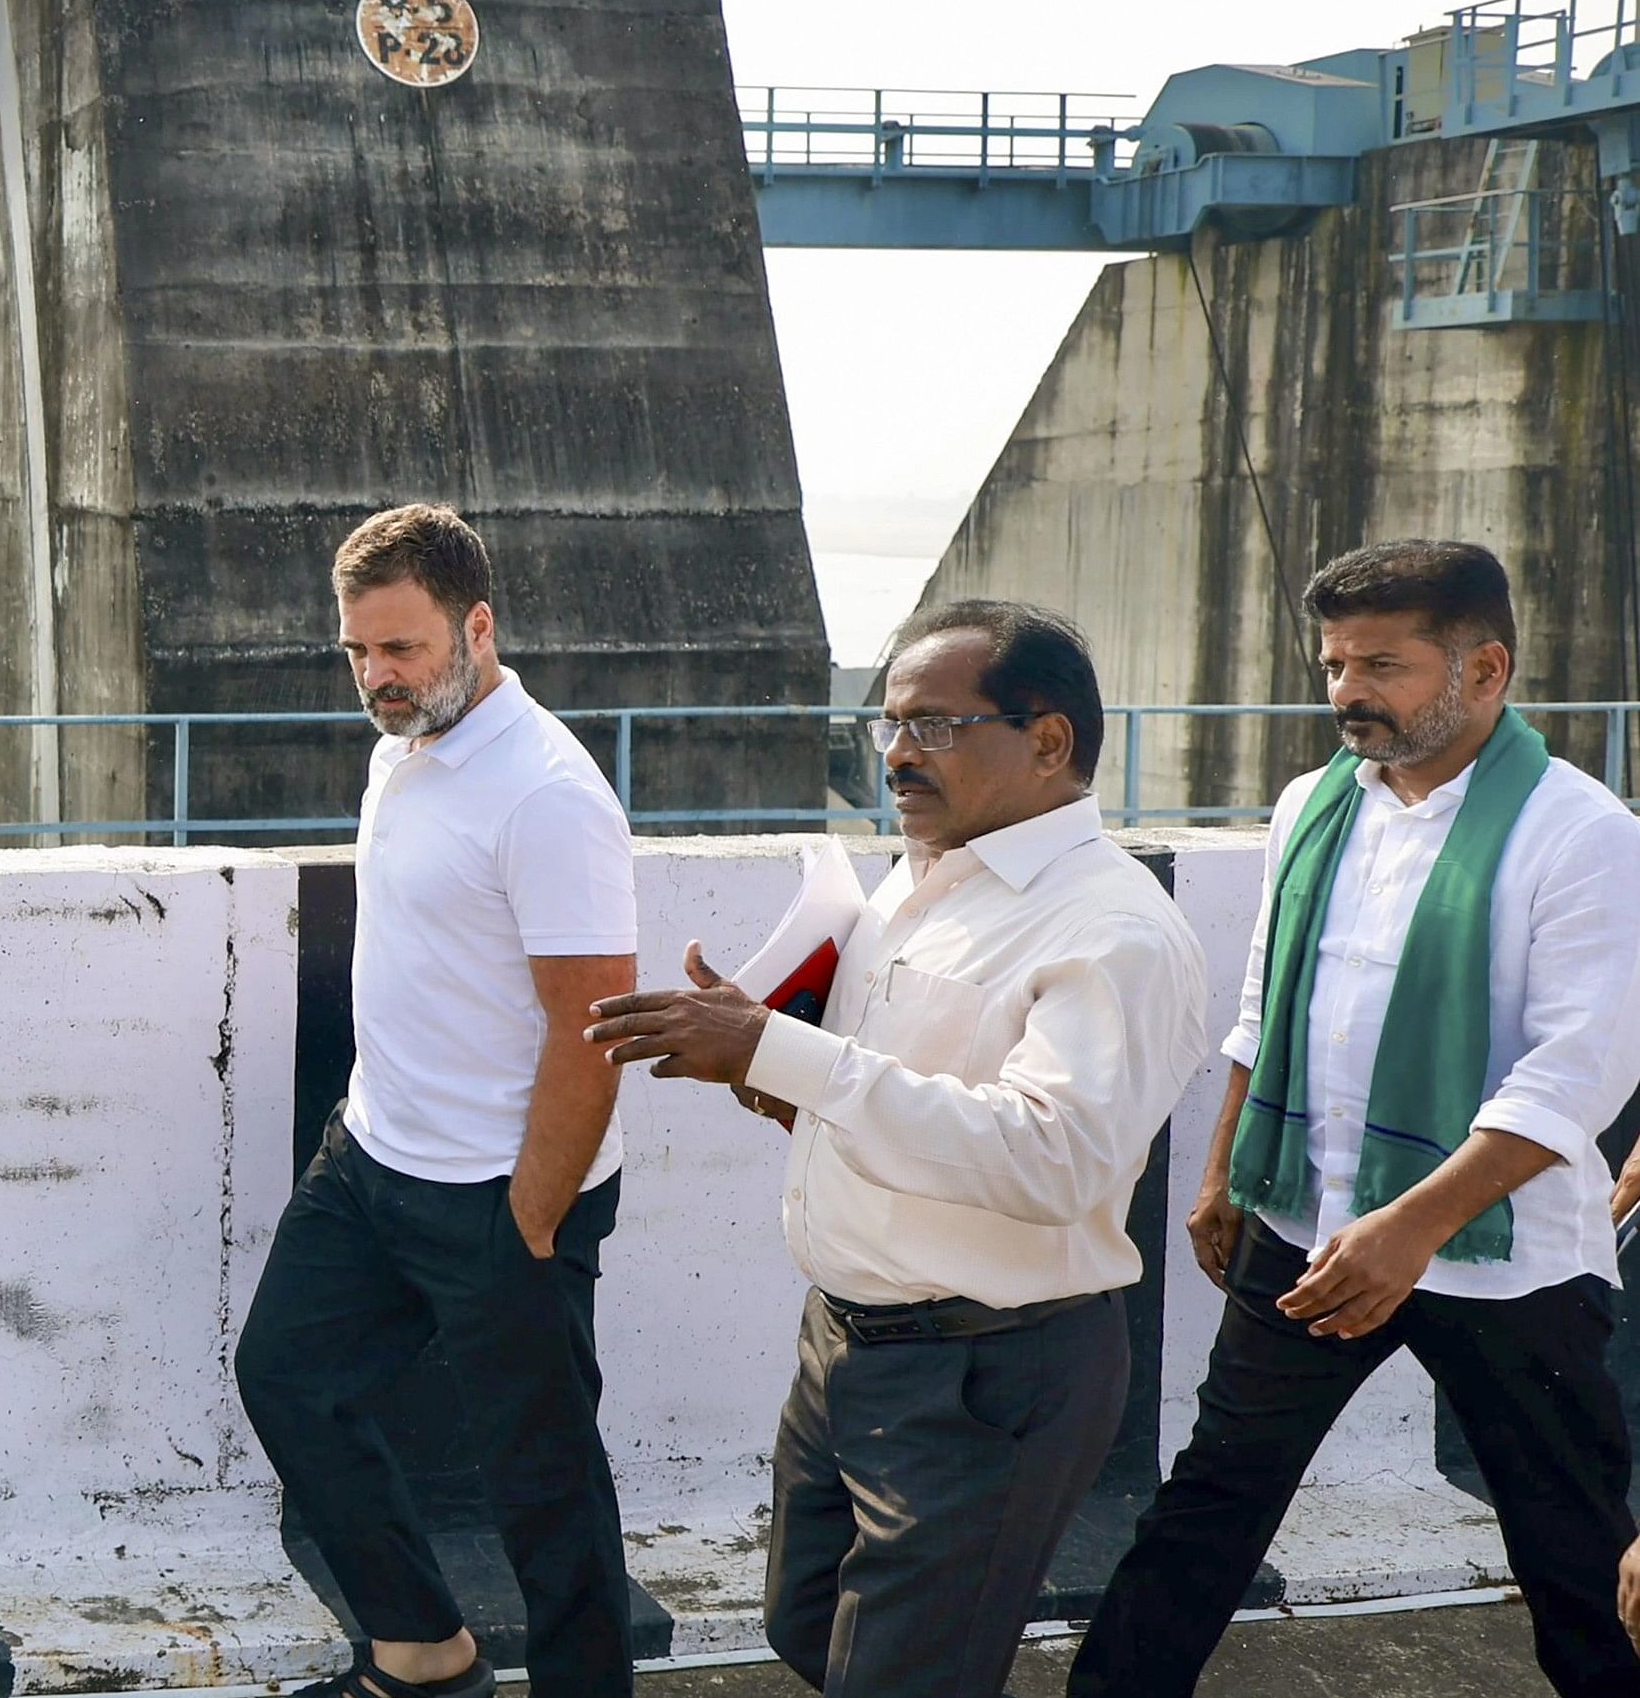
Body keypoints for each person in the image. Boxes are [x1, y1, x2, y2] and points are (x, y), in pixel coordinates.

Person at [585, 600, 1208, 1696]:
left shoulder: (1114, 930)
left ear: (1049, 739)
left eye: (934, 725)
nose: (895, 754)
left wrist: (781, 1049)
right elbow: (900, 1094)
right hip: (846, 1345)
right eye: (887, 724)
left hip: (986, 1370)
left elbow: (1056, 1159)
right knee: (804, 1623)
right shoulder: (921, 874)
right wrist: (769, 1067)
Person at [1070, 541, 1640, 1697]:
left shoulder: (1583, 835)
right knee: (1210, 1504)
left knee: (1570, 1547)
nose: (1346, 693)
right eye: (1333, 662)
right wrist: (1226, 1166)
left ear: (1486, 670)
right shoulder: (1314, 805)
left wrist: (1410, 1229)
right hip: (1309, 1224)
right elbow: (1268, 999)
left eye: (1382, 663)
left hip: (1504, 1263)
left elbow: (1573, 1078)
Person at [234, 503, 640, 1698]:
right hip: (369, 1163)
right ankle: (423, 1651)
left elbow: (591, 1031)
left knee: (546, 1492)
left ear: (475, 625)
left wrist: (530, 1217)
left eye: (400, 648)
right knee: (287, 1377)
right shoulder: (400, 749)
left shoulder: (547, 793)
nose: (377, 677)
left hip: (499, 1197)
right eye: (357, 651)